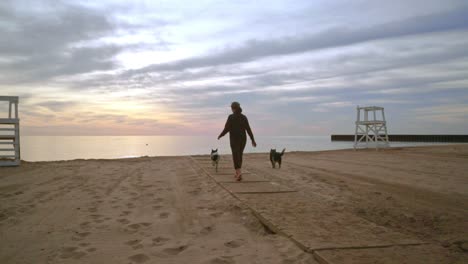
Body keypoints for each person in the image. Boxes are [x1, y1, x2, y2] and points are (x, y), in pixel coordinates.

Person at [218, 102, 256, 181]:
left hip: (234, 139)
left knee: (235, 155)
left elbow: (227, 128)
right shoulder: (244, 117)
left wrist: (221, 135)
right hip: (243, 139)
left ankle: (238, 173)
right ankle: (237, 172)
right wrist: (252, 139)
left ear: (233, 108)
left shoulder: (231, 117)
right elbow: (248, 129)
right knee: (239, 154)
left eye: (231, 108)